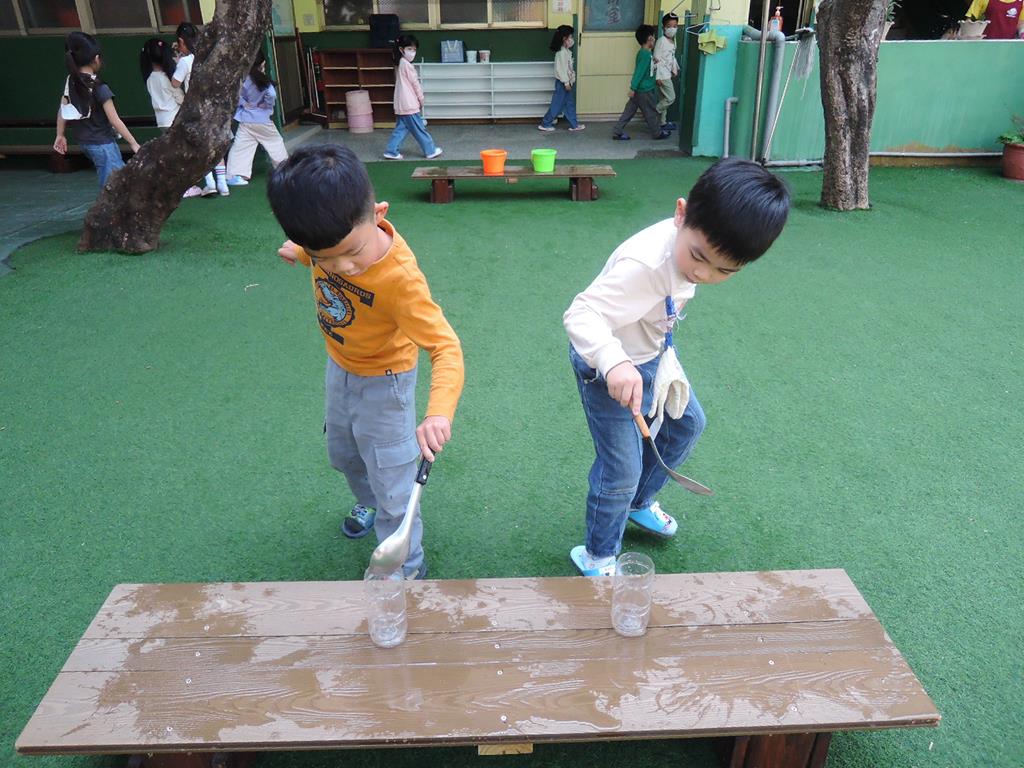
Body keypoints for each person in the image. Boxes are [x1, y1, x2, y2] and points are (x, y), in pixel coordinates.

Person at [562, 158, 790, 576]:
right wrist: (614, 363)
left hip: (651, 355)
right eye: (698, 257)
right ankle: (598, 555)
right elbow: (581, 314)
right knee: (621, 469)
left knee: (687, 426)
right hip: (606, 367)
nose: (703, 273)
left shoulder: (692, 252)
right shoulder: (645, 267)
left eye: (725, 270)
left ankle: (637, 503)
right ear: (680, 214)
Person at [267, 145, 464, 579]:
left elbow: (446, 347)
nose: (343, 267)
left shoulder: (400, 280)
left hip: (386, 383)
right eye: (325, 258)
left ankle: (405, 566)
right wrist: (304, 254)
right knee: (345, 455)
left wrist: (438, 412)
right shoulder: (327, 244)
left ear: (378, 214)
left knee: (393, 478)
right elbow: (326, 251)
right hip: (339, 367)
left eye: (353, 252)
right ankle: (368, 501)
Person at [54, 31, 140, 187]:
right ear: (96, 59)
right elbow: (114, 120)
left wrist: (60, 134)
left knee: (116, 178)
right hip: (103, 143)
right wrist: (133, 143)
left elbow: (62, 110)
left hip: (85, 142)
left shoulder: (70, 81)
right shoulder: (100, 88)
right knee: (114, 183)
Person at [172, 22, 226, 197]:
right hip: (214, 105)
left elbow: (175, 83)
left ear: (181, 41)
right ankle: (223, 184)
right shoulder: (208, 56)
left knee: (200, 146)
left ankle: (210, 183)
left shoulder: (185, 61)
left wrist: (177, 62)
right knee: (215, 143)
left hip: (196, 108)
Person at [225, 49, 289, 185]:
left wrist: (245, 104)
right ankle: (285, 170)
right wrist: (266, 105)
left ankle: (235, 175)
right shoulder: (263, 80)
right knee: (275, 143)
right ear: (262, 63)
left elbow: (235, 95)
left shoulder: (244, 79)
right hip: (262, 120)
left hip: (246, 119)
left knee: (241, 146)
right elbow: (272, 95)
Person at [383, 35, 442, 161]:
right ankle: (430, 150)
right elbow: (415, 84)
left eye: (414, 49)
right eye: (409, 49)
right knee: (419, 129)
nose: (412, 52)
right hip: (409, 104)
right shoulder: (407, 65)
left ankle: (391, 151)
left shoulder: (399, 63)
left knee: (401, 129)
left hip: (401, 104)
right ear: (401, 49)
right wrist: (421, 98)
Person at [612, 25, 670, 141]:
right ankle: (657, 133)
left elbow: (645, 68)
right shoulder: (645, 55)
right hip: (645, 91)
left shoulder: (644, 53)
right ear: (649, 39)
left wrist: (653, 61)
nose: (654, 39)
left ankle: (617, 131)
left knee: (629, 111)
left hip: (639, 90)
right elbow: (639, 72)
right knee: (651, 113)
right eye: (653, 37)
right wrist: (632, 88)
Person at [538, 25, 585, 132]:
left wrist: (570, 81)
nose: (572, 39)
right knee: (557, 104)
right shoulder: (561, 53)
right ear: (564, 38)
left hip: (566, 83)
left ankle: (574, 125)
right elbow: (560, 70)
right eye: (570, 37)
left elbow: (567, 68)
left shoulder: (566, 52)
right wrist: (566, 82)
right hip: (562, 84)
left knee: (569, 104)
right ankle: (545, 123)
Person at [140, 37, 183, 131]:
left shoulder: (149, 78)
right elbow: (180, 99)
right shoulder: (167, 79)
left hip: (161, 121)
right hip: (173, 119)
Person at [653, 13, 681, 132]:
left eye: (675, 26)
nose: (672, 29)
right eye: (669, 26)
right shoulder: (661, 41)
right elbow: (656, 59)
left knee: (664, 98)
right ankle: (653, 112)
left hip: (667, 74)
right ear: (663, 27)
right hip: (662, 76)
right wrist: (657, 77)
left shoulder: (672, 41)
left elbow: (671, 58)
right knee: (671, 98)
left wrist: (674, 69)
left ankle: (662, 123)